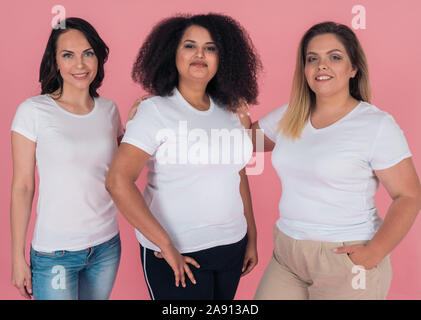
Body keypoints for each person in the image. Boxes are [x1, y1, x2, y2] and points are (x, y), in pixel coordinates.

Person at [252, 21, 421, 300]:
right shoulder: (289, 116)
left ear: (353, 69)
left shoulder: (375, 125)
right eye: (312, 59)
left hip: (345, 258)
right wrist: (181, 107)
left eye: (335, 57)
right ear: (304, 69)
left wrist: (374, 253)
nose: (322, 66)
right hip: (287, 255)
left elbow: (409, 195)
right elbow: (241, 143)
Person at [106, 13, 261, 300]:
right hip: (178, 253)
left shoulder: (232, 111)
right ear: (172, 54)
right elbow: (118, 181)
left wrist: (252, 235)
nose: (200, 54)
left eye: (211, 47)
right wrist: (165, 246)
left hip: (232, 246)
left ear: (223, 57)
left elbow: (237, 173)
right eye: (189, 46)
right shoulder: (154, 111)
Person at [11, 17, 125, 300]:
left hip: (106, 246)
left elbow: (121, 174)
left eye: (88, 53)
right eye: (68, 55)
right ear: (56, 62)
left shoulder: (109, 110)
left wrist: (140, 122)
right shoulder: (33, 111)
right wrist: (17, 257)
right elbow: (23, 187)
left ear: (98, 57)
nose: (80, 64)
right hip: (55, 253)